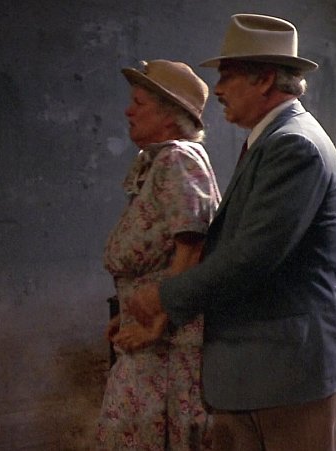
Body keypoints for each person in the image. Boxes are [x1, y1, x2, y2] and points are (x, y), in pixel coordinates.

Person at [127, 14, 336, 451]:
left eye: (228, 76)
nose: (217, 90)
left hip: (285, 374)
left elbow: (251, 256)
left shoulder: (294, 145)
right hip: (260, 372)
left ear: (265, 80)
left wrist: (163, 297)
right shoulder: (271, 141)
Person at [96, 59, 221, 450]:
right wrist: (129, 313)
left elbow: (193, 244)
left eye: (139, 103)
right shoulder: (160, 161)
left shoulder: (177, 159)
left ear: (170, 117)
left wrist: (159, 321)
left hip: (167, 348)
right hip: (150, 339)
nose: (127, 111)